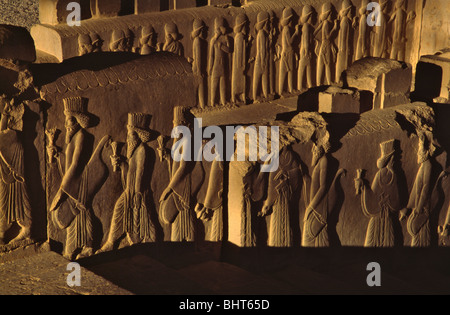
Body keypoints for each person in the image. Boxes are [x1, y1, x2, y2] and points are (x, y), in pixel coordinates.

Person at [98, 113, 157, 252]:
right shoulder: (134, 151)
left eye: (130, 135)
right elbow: (130, 171)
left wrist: (136, 194)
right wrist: (121, 163)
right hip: (131, 190)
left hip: (137, 191)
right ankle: (112, 242)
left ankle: (116, 243)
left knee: (141, 218)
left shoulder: (142, 151)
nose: (127, 138)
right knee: (124, 212)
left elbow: (140, 174)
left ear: (137, 135)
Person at [0, 97, 32, 245]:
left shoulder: (13, 135)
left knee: (19, 201)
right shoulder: (8, 135)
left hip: (16, 177)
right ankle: (2, 232)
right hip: (5, 175)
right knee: (2, 203)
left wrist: (5, 115)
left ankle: (27, 230)